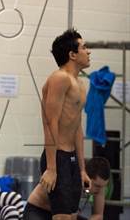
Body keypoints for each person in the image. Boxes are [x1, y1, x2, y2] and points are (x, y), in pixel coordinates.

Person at [38, 29, 92, 220]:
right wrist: (52, 168)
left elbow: (77, 128)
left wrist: (82, 168)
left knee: (71, 216)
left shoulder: (81, 85)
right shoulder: (59, 78)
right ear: (72, 54)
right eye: (84, 48)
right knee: (62, 217)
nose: (89, 51)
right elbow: (50, 122)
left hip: (71, 160)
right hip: (58, 157)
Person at [24, 157, 110, 220]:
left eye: (103, 187)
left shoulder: (99, 184)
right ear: (86, 178)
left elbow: (98, 215)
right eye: (97, 186)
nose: (99, 190)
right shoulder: (69, 177)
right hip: (38, 210)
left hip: (64, 214)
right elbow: (61, 214)